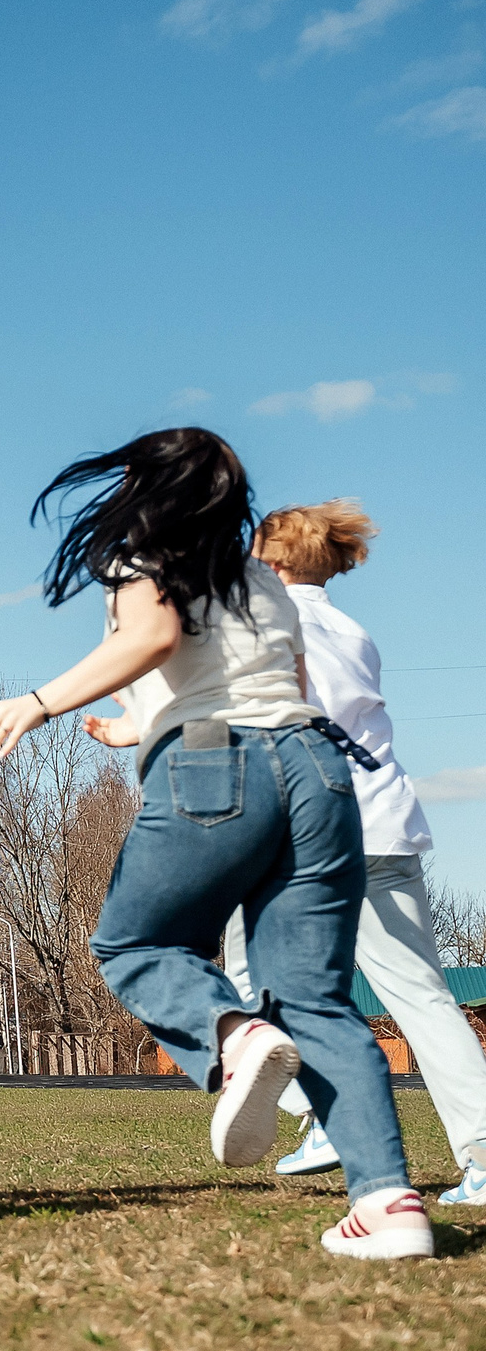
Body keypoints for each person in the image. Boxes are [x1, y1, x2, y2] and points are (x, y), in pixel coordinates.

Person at [0, 429, 429, 1261]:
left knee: (134, 939)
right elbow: (279, 687)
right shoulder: (264, 581)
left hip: (218, 763)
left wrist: (39, 701)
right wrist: (141, 726)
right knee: (314, 998)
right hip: (318, 771)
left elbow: (154, 639)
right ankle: (390, 1203)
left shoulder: (146, 557)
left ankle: (233, 1036)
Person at [219, 501, 486, 1207]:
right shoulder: (352, 629)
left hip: (325, 832)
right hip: (390, 825)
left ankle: (324, 1109)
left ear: (271, 566)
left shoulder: (275, 626)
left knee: (247, 978)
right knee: (423, 996)